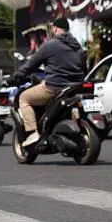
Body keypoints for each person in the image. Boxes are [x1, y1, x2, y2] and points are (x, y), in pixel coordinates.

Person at [12, 18, 86, 147]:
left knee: (24, 98)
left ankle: (33, 133)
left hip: (54, 87)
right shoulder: (78, 46)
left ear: (55, 28)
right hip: (75, 88)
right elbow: (83, 68)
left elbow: (31, 65)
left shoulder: (50, 45)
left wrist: (17, 76)